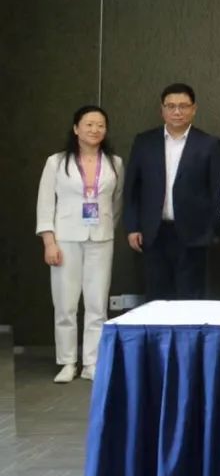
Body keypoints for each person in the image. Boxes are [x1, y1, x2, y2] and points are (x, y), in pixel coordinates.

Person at [35, 106, 124, 383]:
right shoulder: (56, 162)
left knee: (97, 304)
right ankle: (67, 361)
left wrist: (107, 226)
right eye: (88, 124)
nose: (94, 130)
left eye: (100, 125)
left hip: (101, 238)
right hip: (66, 238)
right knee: (65, 304)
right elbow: (45, 203)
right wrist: (49, 242)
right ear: (76, 128)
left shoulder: (115, 163)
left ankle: (92, 362)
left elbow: (117, 203)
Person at [124, 83, 220, 301]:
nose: (177, 112)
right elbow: (132, 189)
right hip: (153, 233)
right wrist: (132, 227)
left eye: (183, 106)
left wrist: (211, 231)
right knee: (156, 299)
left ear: (194, 109)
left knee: (190, 299)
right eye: (171, 106)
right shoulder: (144, 142)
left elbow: (218, 191)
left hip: (193, 235)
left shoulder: (209, 144)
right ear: (162, 110)